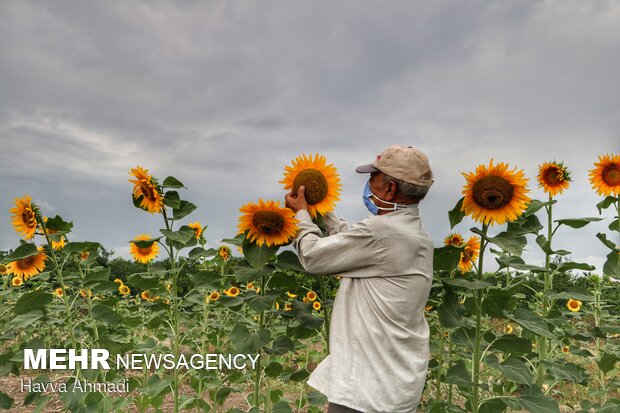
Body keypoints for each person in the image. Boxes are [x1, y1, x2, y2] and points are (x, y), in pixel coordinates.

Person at [284, 145, 435, 413]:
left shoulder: (380, 232)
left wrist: (301, 215)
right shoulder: (417, 236)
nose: (368, 185)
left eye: (372, 180)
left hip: (365, 390)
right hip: (398, 385)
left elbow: (313, 256)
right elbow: (355, 243)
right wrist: (326, 213)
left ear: (389, 189)